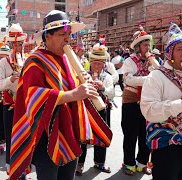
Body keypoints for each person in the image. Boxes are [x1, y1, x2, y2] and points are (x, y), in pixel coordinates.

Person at [9, 10, 112, 180]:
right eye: (62, 34)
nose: (67, 39)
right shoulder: (35, 61)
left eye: (69, 34)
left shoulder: (67, 59)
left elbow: (75, 88)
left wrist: (86, 85)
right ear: (47, 36)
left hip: (69, 130)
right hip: (46, 135)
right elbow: (33, 96)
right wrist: (73, 94)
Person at [140, 23, 182, 180]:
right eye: (179, 49)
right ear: (170, 53)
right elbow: (148, 110)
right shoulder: (156, 76)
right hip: (168, 147)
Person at [75, 43, 114, 176]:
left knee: (101, 135)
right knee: (83, 136)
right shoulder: (83, 75)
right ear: (90, 63)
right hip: (86, 109)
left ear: (104, 64)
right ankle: (79, 164)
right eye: (94, 63)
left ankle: (99, 162)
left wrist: (103, 88)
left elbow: (112, 94)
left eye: (100, 64)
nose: (97, 66)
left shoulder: (107, 77)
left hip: (103, 110)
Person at [0, 23, 27, 176]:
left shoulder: (27, 59)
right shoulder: (3, 62)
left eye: (22, 43)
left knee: (26, 138)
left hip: (26, 106)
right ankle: (12, 171)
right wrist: (10, 80)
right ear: (11, 44)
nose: (21, 46)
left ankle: (24, 170)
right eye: (18, 43)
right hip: (10, 106)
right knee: (12, 138)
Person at [121, 25, 153, 175]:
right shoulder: (129, 61)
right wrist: (148, 79)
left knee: (145, 134)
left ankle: (142, 163)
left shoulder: (152, 61)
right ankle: (129, 164)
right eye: (145, 44)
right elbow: (129, 79)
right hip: (131, 101)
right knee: (130, 134)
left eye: (148, 44)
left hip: (147, 101)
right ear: (138, 46)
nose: (148, 47)